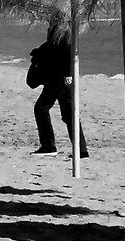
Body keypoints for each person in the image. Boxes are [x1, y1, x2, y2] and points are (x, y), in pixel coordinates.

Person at [27, 19, 87, 155]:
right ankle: (79, 150)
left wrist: (68, 74)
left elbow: (66, 52)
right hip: (56, 78)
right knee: (63, 113)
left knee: (54, 111)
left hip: (59, 79)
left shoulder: (64, 33)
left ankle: (52, 147)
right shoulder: (61, 31)